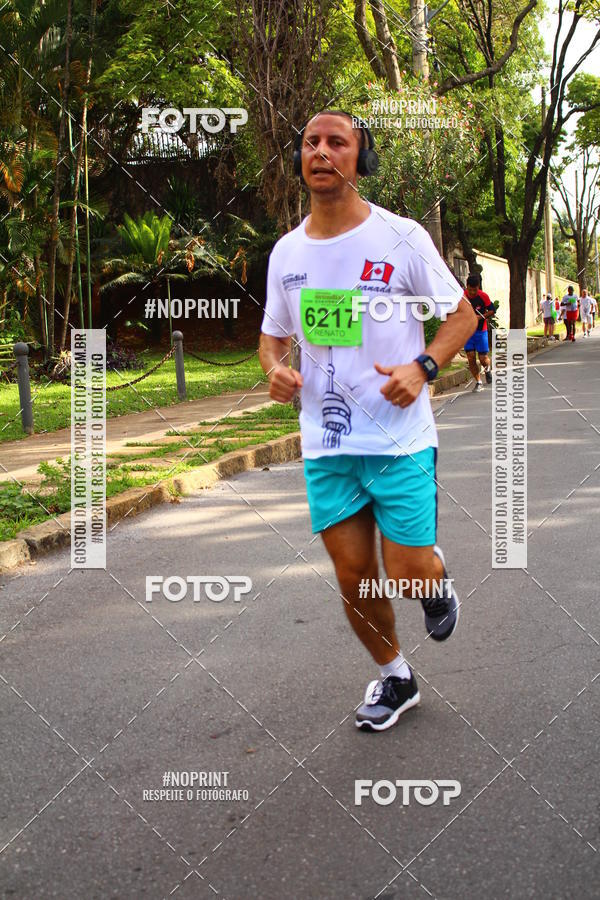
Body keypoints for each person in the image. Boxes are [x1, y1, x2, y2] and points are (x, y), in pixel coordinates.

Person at [259, 110, 477, 732]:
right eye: (310, 142)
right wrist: (276, 369)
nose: (321, 152)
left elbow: (461, 316)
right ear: (300, 159)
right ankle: (395, 675)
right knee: (354, 576)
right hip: (326, 444)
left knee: (407, 575)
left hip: (399, 438)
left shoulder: (400, 236)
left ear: (360, 159)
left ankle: (434, 580)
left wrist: (425, 367)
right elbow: (271, 338)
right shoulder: (287, 253)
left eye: (337, 142)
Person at [463, 273, 495, 392]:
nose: (472, 293)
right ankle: (478, 381)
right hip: (467, 331)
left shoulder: (483, 296)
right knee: (471, 357)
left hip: (481, 331)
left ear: (478, 287)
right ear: (467, 287)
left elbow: (492, 310)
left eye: (475, 290)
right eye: (470, 290)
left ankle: (487, 369)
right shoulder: (462, 296)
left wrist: (480, 317)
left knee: (483, 358)